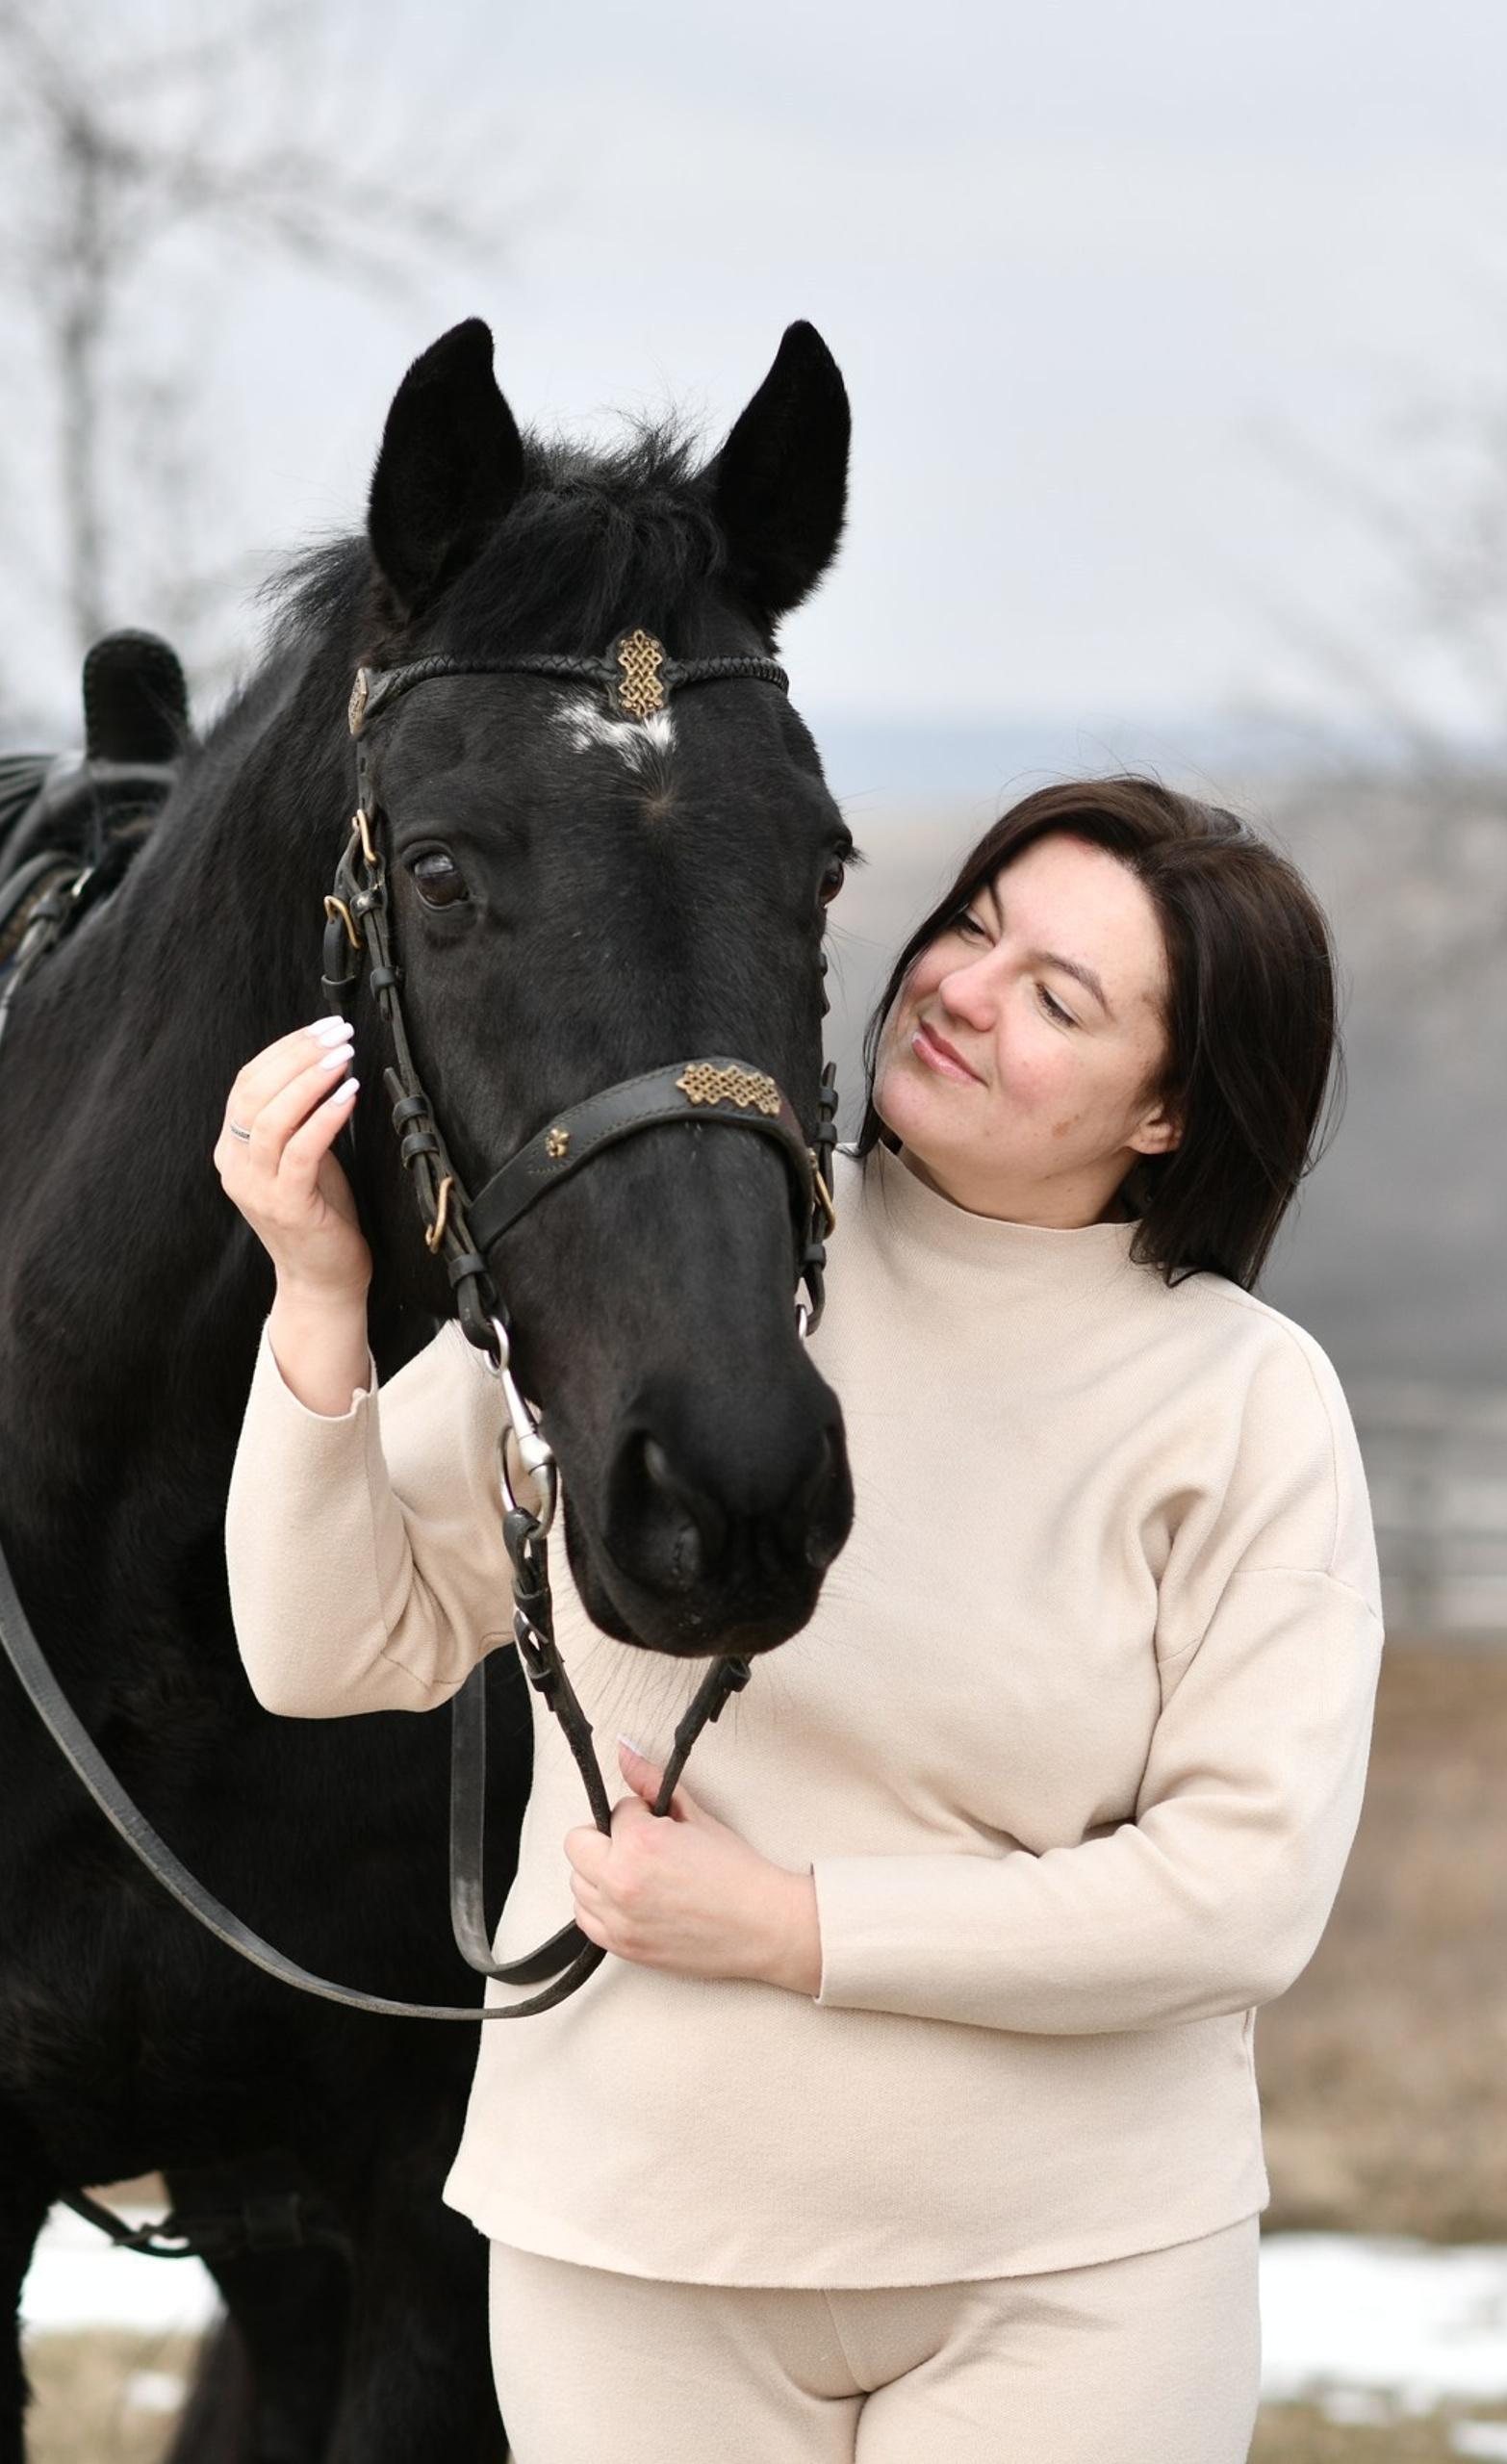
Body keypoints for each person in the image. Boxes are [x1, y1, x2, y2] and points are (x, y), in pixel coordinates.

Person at [216, 777, 1380, 2464]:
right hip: (631, 2257)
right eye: (973, 926)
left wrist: (787, 1925)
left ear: (1169, 1114)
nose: (965, 989)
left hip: (1071, 2277)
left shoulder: (1244, 1402)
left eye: (1058, 997)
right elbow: (328, 1649)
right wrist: (315, 1295)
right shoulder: (677, 1252)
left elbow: (1239, 1898)